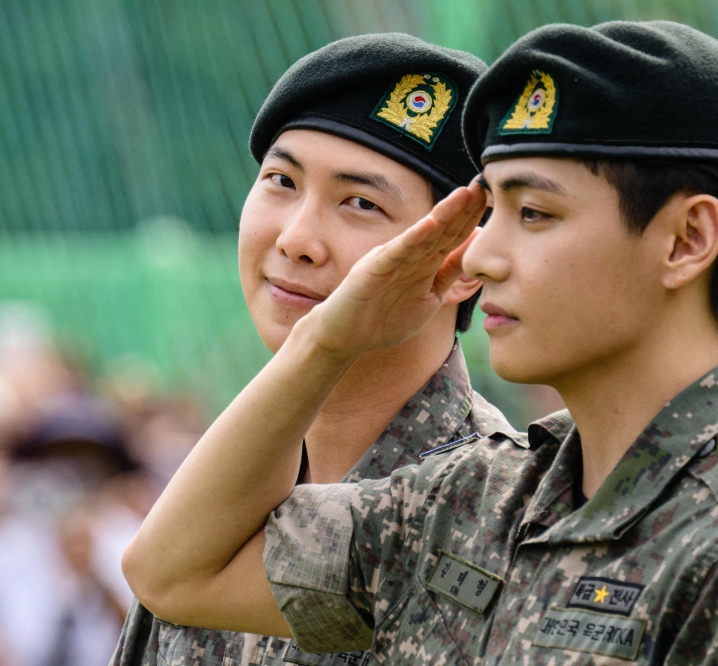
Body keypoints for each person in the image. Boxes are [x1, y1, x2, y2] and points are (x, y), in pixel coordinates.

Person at [123, 21, 718, 664]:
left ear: (685, 240)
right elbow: (172, 571)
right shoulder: (483, 499)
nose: (484, 256)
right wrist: (326, 342)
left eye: (534, 214)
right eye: (489, 212)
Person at [112, 34, 515, 666]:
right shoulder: (218, 489)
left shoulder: (489, 506)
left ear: (463, 262)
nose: (297, 239)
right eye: (280, 180)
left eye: (361, 203)